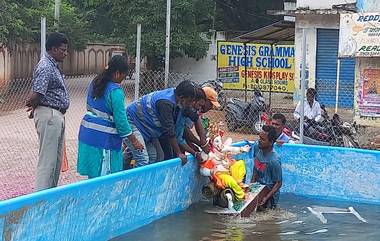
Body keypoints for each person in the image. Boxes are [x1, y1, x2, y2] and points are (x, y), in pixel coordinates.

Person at [77, 55, 144, 178]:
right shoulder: (116, 92)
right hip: (104, 141)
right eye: (124, 76)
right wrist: (134, 141)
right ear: (117, 73)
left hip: (87, 134)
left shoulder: (95, 82)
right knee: (106, 178)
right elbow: (121, 122)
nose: (123, 80)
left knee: (93, 177)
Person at [26, 32, 70, 191]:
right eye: (62, 50)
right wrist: (32, 104)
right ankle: (40, 200)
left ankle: (49, 197)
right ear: (53, 49)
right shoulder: (46, 66)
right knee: (48, 162)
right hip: (49, 115)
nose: (65, 53)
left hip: (56, 115)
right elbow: (36, 93)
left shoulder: (53, 66)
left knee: (55, 162)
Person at [125, 80, 196, 166]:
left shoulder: (176, 98)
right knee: (143, 159)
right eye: (189, 101)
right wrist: (179, 153)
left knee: (152, 156)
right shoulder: (166, 103)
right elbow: (169, 130)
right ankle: (128, 178)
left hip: (144, 127)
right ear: (181, 96)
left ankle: (123, 174)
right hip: (132, 121)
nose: (190, 104)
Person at [251, 125, 282, 209]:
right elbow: (255, 167)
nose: (259, 141)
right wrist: (251, 186)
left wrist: (266, 198)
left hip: (270, 195)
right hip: (258, 187)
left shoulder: (274, 160)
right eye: (259, 138)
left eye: (263, 139)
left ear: (271, 142)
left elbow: (278, 183)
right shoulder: (257, 147)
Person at [181, 86, 220, 153]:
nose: (211, 107)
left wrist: (201, 143)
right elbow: (184, 130)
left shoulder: (198, 110)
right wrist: (201, 144)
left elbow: (199, 128)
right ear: (204, 100)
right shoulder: (191, 109)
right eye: (210, 104)